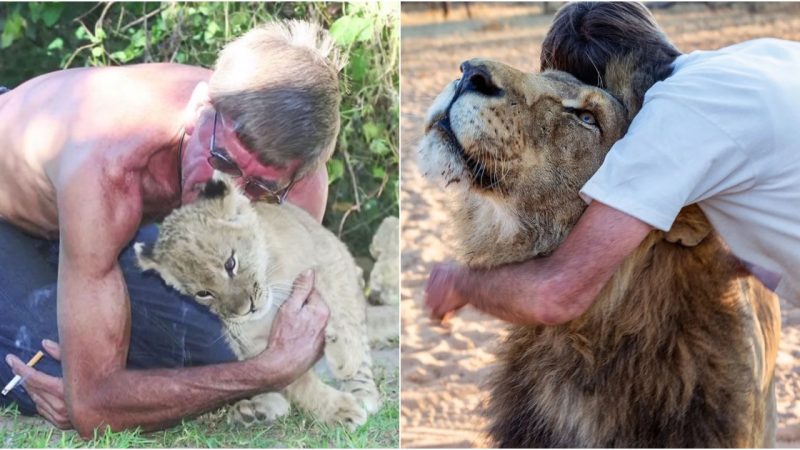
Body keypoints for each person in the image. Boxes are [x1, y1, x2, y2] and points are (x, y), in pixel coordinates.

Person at [0, 20, 342, 437]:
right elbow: (92, 409)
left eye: (258, 187)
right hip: (24, 204)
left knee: (216, 345)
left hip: (82, 228)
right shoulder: (108, 161)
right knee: (66, 370)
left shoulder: (297, 180)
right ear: (199, 111)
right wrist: (264, 374)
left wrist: (269, 361)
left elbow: (293, 330)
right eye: (223, 160)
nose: (226, 193)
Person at [426, 2, 800, 326]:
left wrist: (461, 284)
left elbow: (557, 294)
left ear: (621, 98)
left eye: (584, 114)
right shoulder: (755, 57)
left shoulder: (666, 126)